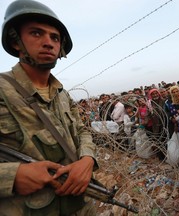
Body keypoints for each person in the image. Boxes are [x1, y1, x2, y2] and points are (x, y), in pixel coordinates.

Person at [0, 0, 99, 215]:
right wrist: (12, 176)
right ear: (16, 41)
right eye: (36, 33)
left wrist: (87, 159)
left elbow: (82, 131)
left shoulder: (62, 95)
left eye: (55, 37)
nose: (48, 43)